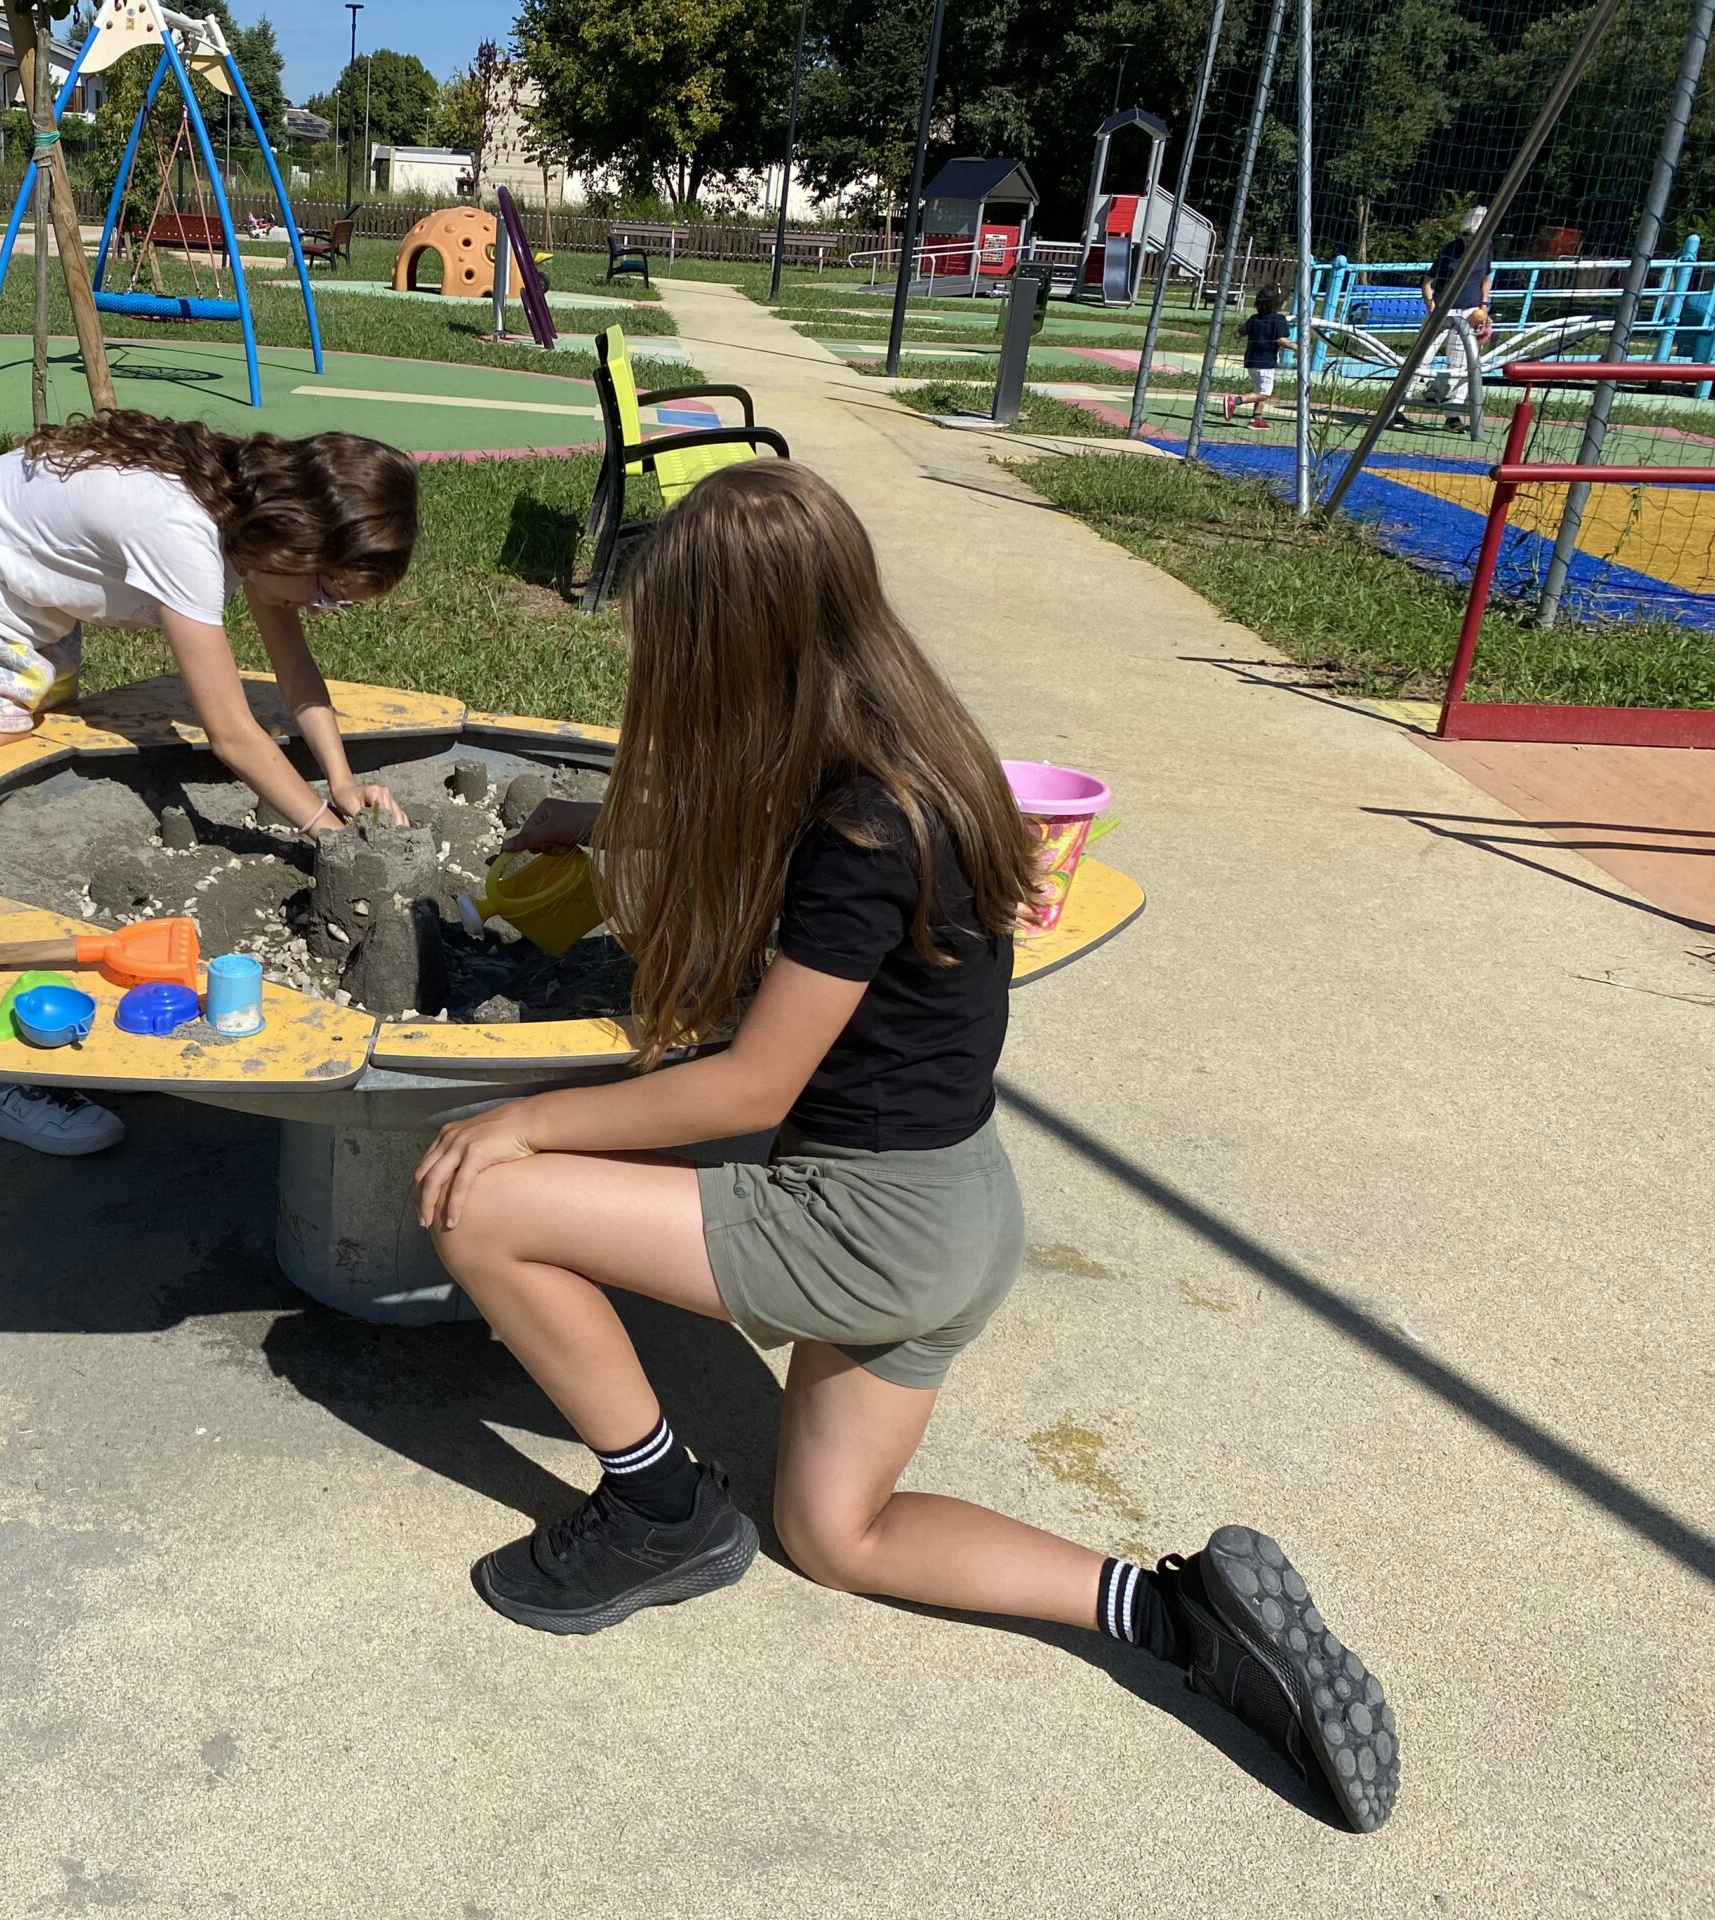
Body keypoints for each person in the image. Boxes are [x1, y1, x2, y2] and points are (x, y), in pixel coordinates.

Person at [411, 462, 1401, 1835]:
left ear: (733, 649)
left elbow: (742, 1085)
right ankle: (1179, 1617)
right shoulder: (908, 759)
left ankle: (657, 1511)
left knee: (478, 1201)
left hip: (863, 1225)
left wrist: (519, 1119)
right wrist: (606, 822)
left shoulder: (860, 829)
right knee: (836, 1538)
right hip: (962, 1211)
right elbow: (772, 853)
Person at [0, 410, 419, 1156]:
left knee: (34, 772)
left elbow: (290, 661)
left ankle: (50, 1021)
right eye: (327, 591)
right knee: (10, 817)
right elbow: (228, 731)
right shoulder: (183, 533)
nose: (322, 610)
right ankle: (10, 1082)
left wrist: (342, 780)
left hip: (21, 590)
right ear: (297, 538)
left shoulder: (252, 525)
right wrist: (327, 833)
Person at [1398, 206, 1494, 433]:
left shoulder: (1487, 250)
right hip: (1442, 311)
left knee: (1462, 364)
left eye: (1474, 237)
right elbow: (1428, 281)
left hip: (1469, 312)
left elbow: (1485, 278)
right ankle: (1398, 408)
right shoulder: (1450, 250)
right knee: (1421, 358)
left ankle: (1453, 415)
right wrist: (1432, 308)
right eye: (1466, 235)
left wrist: (1484, 306)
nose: (1469, 241)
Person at [1225, 286, 1293, 430]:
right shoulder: (1279, 320)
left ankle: (1256, 419)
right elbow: (1282, 340)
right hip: (1266, 362)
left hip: (1251, 360)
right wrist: (1298, 347)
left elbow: (1238, 334)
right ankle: (1235, 400)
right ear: (1279, 304)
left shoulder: (1254, 319)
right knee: (1264, 394)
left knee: (1258, 389)